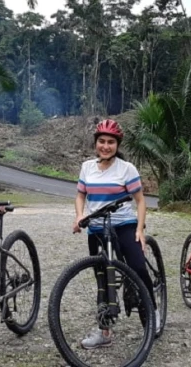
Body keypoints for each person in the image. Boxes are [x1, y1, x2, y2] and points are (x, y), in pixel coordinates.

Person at [73, 119, 159, 349]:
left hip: (124, 226)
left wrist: (140, 229)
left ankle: (152, 315)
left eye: (111, 142)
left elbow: (140, 201)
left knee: (138, 268)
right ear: (95, 143)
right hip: (97, 229)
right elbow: (81, 195)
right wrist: (79, 216)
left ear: (117, 145)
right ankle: (104, 331)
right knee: (102, 278)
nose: (105, 146)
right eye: (101, 141)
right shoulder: (87, 167)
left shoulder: (126, 169)